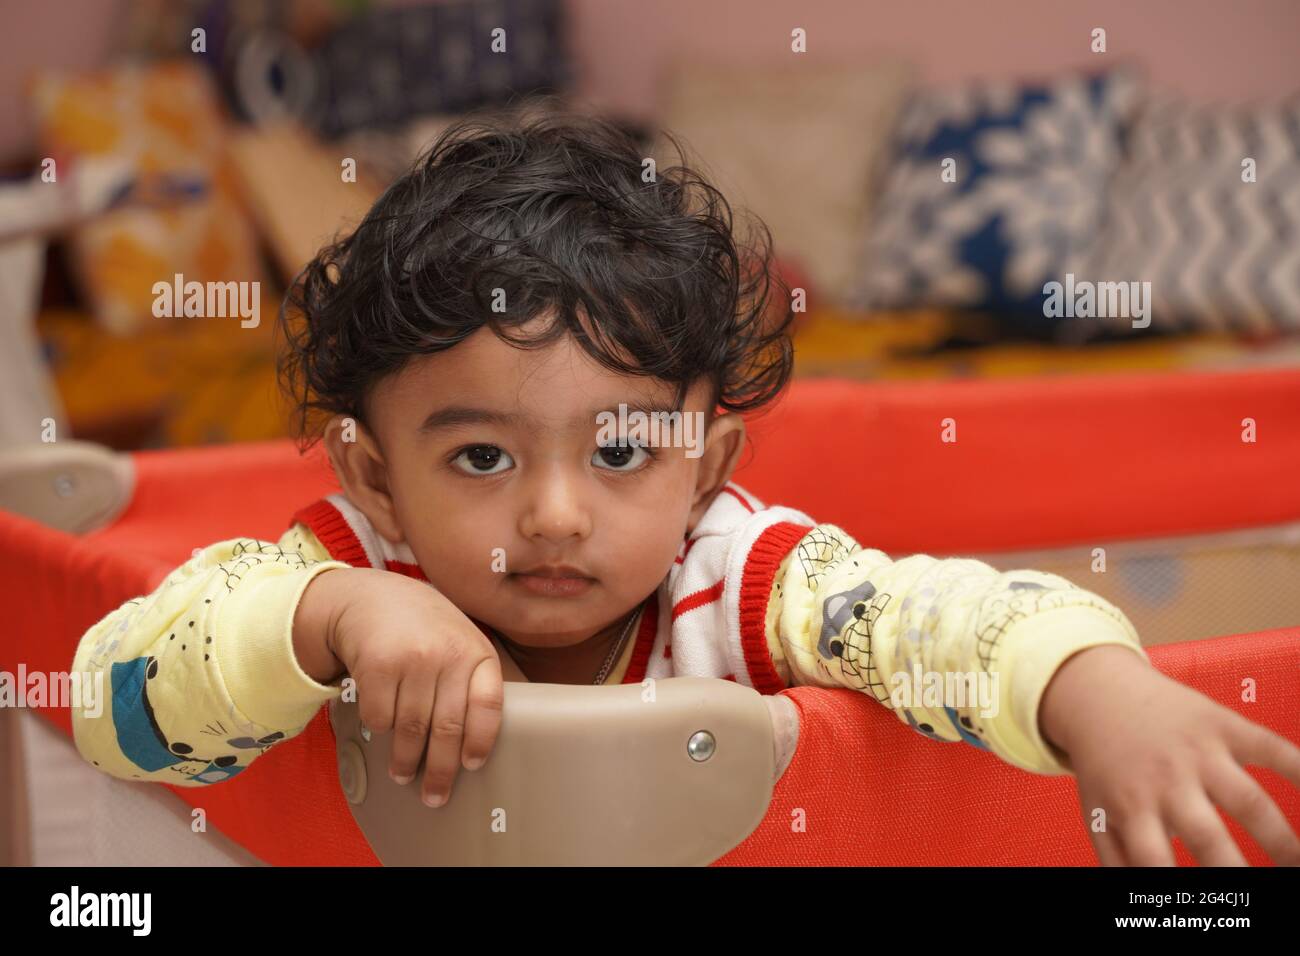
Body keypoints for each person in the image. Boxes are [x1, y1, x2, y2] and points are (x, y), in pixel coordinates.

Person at [72, 101, 1300, 866]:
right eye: (480, 457)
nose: (555, 512)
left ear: (706, 461)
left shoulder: (745, 574)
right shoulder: (347, 569)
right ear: (376, 475)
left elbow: (943, 622)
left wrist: (1099, 692)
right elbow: (109, 701)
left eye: (620, 450)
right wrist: (327, 620)